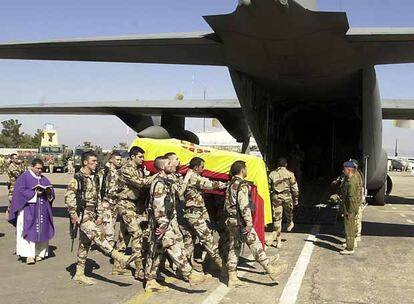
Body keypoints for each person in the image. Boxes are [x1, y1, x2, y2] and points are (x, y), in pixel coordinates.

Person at [65, 151, 132, 285]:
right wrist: (73, 214)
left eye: (96, 161)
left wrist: (100, 213)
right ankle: (118, 256)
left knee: (85, 244)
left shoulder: (94, 178)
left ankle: (79, 273)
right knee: (98, 235)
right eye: (93, 161)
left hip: (92, 213)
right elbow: (69, 197)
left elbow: (99, 197)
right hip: (82, 214)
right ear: (85, 162)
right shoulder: (77, 179)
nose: (96, 164)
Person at [145, 156, 206, 292]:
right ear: (162, 167)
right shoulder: (159, 183)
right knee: (172, 245)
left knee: (156, 251)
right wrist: (162, 224)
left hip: (167, 221)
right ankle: (189, 274)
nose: (172, 164)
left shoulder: (167, 180)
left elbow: (178, 194)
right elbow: (158, 205)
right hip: (162, 223)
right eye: (168, 162)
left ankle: (150, 280)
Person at [225, 160, 288, 288]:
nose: (247, 171)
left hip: (231, 221)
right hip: (241, 222)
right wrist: (248, 223)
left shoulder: (230, 183)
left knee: (234, 248)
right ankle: (271, 270)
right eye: (246, 168)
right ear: (242, 170)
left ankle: (232, 277)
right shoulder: (241, 185)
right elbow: (244, 205)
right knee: (256, 245)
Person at [115, 146, 154, 280]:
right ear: (133, 157)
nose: (143, 159)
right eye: (140, 157)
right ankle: (139, 268)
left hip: (134, 205)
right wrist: (156, 176)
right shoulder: (127, 169)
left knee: (125, 235)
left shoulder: (139, 170)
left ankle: (118, 264)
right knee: (136, 234)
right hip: (125, 203)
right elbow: (140, 183)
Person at [182, 157, 227, 272]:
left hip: (191, 213)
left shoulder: (190, 175)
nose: (204, 169)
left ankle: (184, 269)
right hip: (195, 215)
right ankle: (222, 267)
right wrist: (225, 184)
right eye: (202, 167)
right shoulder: (193, 176)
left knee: (189, 241)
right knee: (208, 240)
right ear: (196, 167)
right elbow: (208, 184)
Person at [8, 159, 55, 265]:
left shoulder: (44, 179)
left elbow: (51, 191)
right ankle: (29, 255)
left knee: (42, 230)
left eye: (41, 169)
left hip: (42, 209)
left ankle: (39, 253)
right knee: (28, 230)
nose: (39, 170)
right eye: (37, 168)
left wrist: (48, 192)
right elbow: (20, 192)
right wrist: (34, 194)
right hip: (28, 210)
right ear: (31, 167)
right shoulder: (24, 177)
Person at [268, 157, 299, 248]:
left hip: (276, 197)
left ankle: (278, 241)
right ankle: (290, 222)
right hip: (287, 197)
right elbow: (295, 188)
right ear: (286, 164)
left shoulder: (272, 174)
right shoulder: (290, 174)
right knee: (289, 212)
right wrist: (296, 199)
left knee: (277, 219)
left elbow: (268, 188)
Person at [340, 161, 363, 255]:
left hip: (350, 208)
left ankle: (350, 248)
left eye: (344, 169)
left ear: (349, 170)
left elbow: (352, 198)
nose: (343, 171)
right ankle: (349, 245)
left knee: (349, 228)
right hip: (349, 207)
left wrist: (350, 211)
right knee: (349, 227)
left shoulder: (352, 181)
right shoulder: (351, 178)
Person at [350, 159, 365, 243]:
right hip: (355, 201)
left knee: (356, 219)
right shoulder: (354, 174)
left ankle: (356, 236)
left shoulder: (357, 175)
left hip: (356, 201)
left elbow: (358, 190)